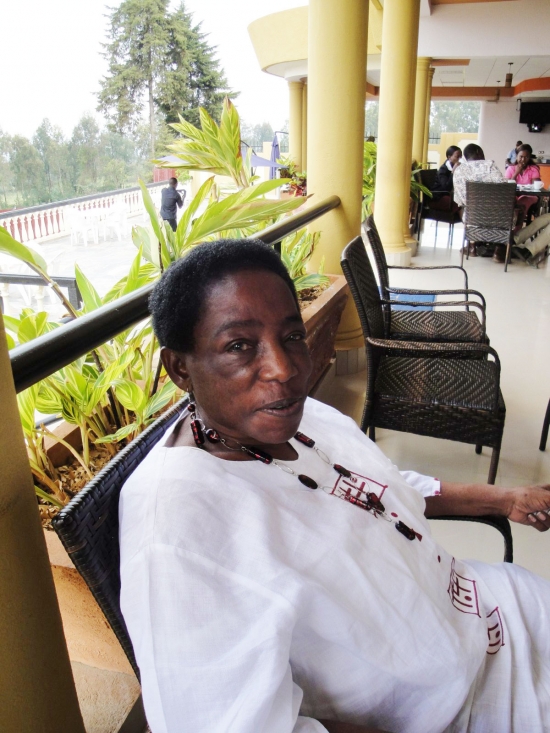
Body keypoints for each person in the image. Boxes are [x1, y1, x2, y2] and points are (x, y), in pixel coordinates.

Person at [120, 240, 550, 733]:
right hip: (466, 711)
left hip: (500, 613)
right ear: (179, 368)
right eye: (239, 346)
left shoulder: (300, 419)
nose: (284, 370)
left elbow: (380, 485)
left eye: (292, 337)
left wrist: (505, 497)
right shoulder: (179, 532)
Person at [453, 144, 506, 261]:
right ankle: (499, 248)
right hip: (498, 219)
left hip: (472, 218)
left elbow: (459, 200)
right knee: (511, 208)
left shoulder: (459, 170)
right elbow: (503, 191)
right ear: (478, 152)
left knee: (465, 208)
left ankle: (472, 246)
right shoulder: (491, 166)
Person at [505, 143, 541, 227]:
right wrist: (516, 172)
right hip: (514, 195)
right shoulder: (511, 168)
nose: (523, 160)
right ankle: (509, 228)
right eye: (521, 156)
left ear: (530, 157)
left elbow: (535, 186)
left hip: (529, 196)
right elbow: (507, 186)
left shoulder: (533, 169)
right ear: (516, 156)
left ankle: (517, 231)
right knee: (510, 201)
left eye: (526, 157)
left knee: (522, 201)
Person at [428, 145, 462, 213]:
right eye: (457, 156)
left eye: (460, 157)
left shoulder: (456, 168)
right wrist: (453, 172)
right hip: (438, 197)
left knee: (464, 201)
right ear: (449, 157)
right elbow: (446, 187)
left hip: (449, 195)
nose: (459, 159)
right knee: (459, 204)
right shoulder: (443, 170)